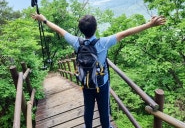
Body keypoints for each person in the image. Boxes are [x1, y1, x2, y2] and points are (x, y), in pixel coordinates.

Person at [32, 13, 165, 128]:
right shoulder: (104, 43)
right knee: (103, 109)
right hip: (101, 83)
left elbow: (60, 30)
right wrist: (150, 24)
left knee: (88, 108)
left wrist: (43, 20)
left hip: (86, 83)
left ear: (81, 30)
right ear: (96, 28)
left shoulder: (76, 42)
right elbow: (126, 33)